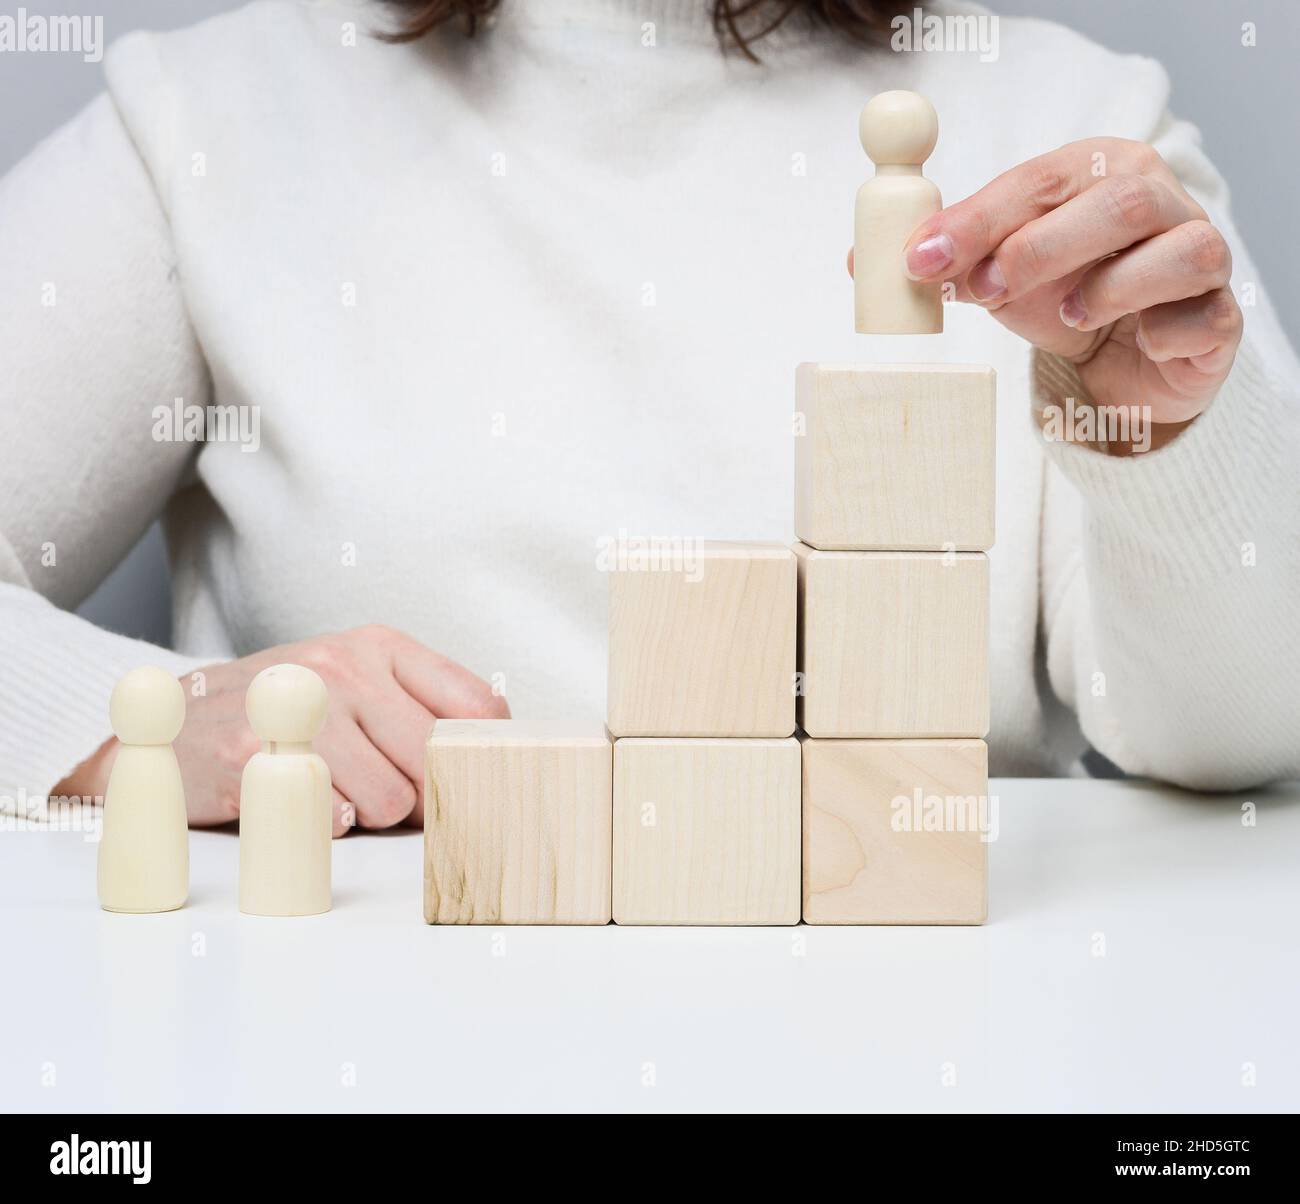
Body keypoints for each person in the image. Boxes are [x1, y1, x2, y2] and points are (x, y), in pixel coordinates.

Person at [1, 0, 1296, 836]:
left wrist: (1162, 438)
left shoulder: (1069, 129)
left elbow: (1245, 733)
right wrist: (138, 725)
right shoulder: (213, 118)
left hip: (910, 1019)